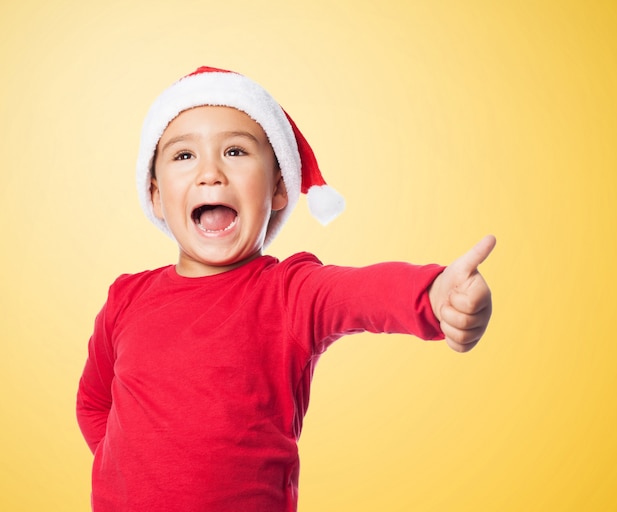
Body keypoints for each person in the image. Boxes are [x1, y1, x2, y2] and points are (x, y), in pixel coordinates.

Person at [76, 66, 495, 511]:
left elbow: (359, 293)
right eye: (184, 156)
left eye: (235, 151)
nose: (210, 173)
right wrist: (125, 472)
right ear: (156, 194)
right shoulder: (127, 299)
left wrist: (433, 294)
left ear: (280, 187)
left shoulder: (289, 292)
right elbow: (94, 402)